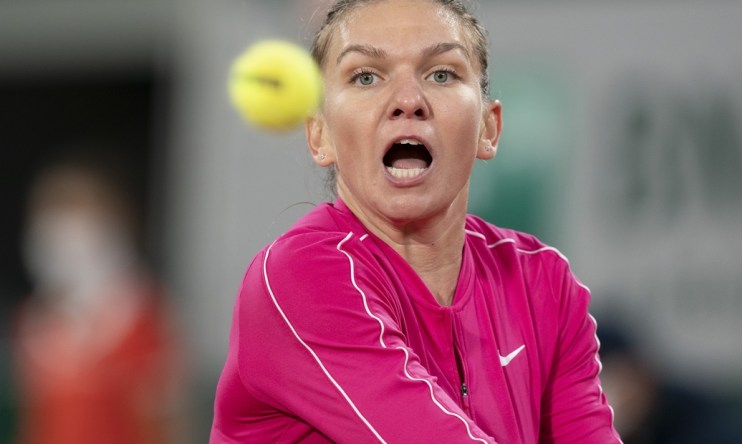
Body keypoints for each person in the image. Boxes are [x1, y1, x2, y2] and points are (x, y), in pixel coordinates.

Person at [211, 0, 620, 442]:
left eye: (441, 73)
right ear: (320, 134)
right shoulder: (297, 276)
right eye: (366, 76)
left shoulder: (543, 282)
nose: (408, 101)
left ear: (489, 128)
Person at [12, 158, 183, 444]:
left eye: (77, 225)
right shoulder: (30, 322)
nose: (65, 243)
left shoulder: (144, 316)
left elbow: (169, 424)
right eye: (52, 224)